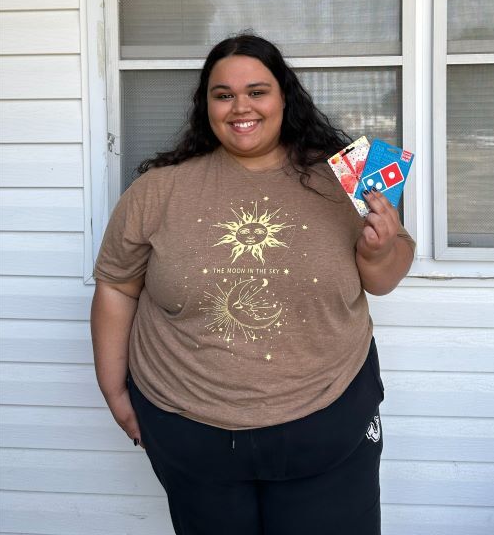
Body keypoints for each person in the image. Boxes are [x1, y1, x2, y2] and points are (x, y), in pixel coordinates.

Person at [91, 33, 415, 535]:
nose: (241, 106)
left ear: (285, 95)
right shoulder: (158, 189)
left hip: (328, 422)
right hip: (189, 429)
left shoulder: (344, 178)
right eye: (223, 94)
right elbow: (116, 287)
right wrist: (114, 391)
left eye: (257, 91)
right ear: (207, 105)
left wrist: (380, 249)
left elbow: (383, 279)